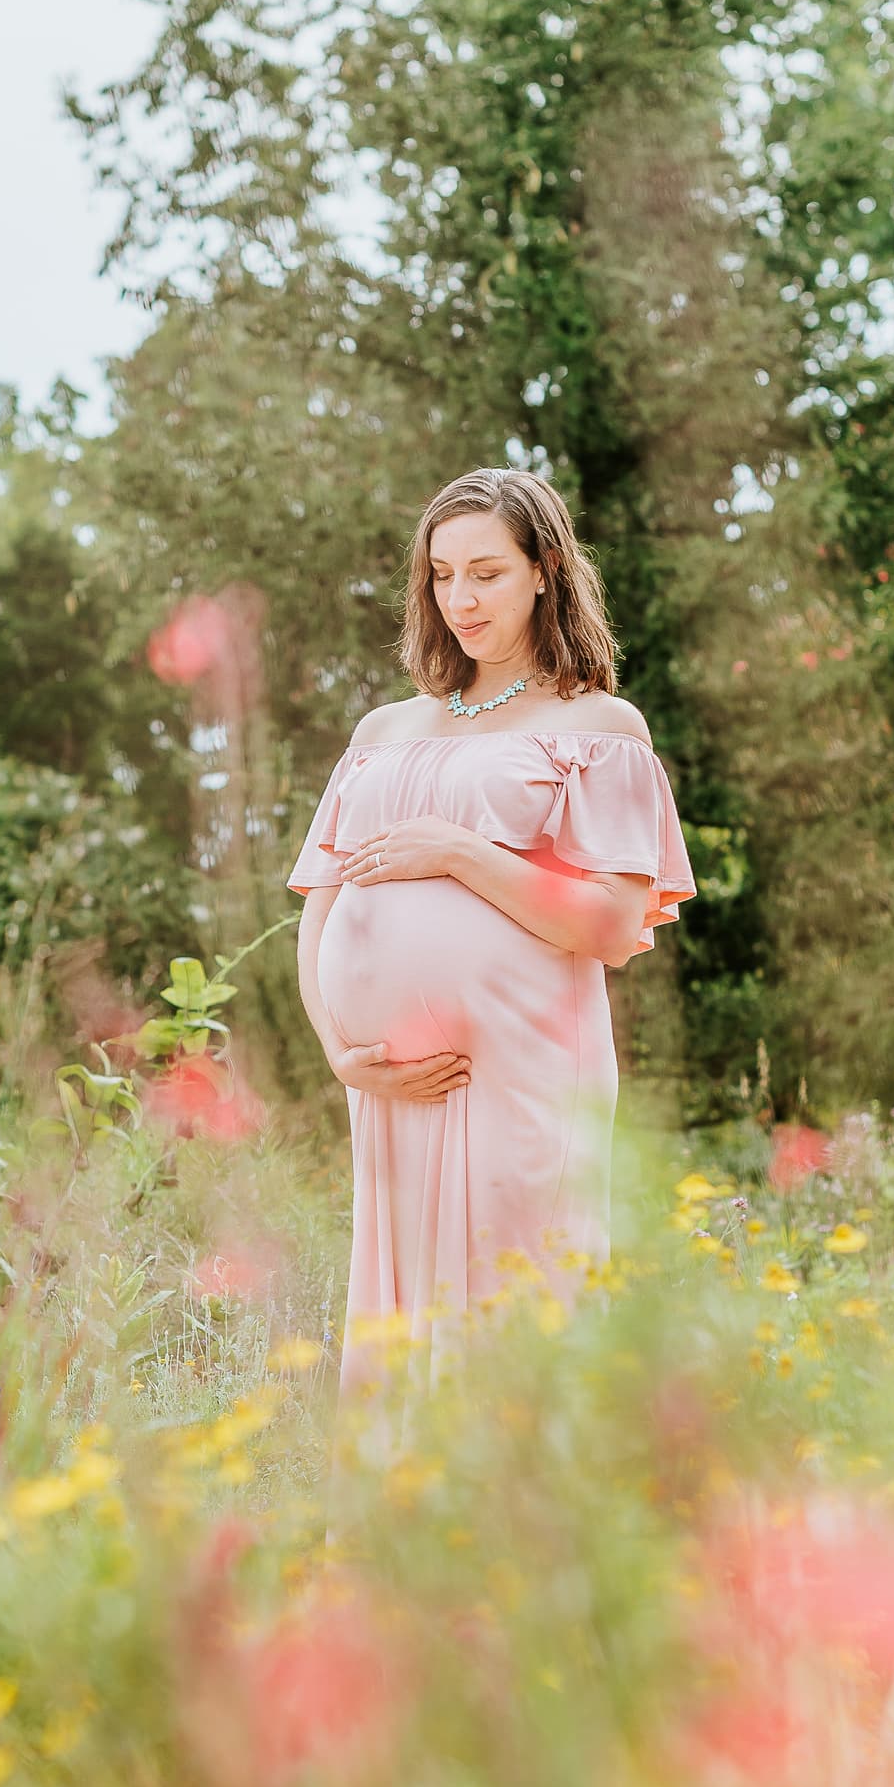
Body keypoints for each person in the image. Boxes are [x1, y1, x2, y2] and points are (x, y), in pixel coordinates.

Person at [288, 466, 694, 1390]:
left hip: (522, 1072)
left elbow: (611, 923)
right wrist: (337, 1051)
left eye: (487, 572)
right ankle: (405, 1531)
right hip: (392, 1085)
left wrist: (459, 852)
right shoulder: (383, 732)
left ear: (545, 569)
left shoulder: (599, 725)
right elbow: (321, 906)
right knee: (404, 1309)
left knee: (515, 1299)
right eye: (441, 576)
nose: (459, 599)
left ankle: (523, 1529)